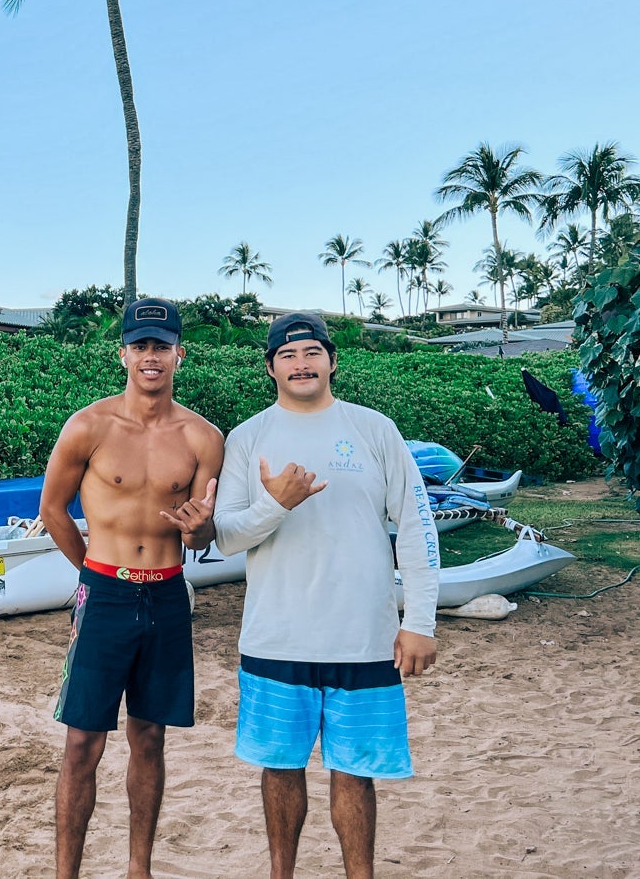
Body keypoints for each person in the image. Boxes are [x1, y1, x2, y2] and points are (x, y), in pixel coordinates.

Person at [210, 312, 440, 879]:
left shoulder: (374, 429)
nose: (301, 364)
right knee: (279, 768)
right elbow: (227, 537)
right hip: (276, 636)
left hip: (363, 637)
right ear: (270, 368)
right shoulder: (247, 437)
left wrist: (421, 621)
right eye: (287, 356)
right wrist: (276, 503)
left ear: (332, 361)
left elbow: (417, 525)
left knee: (355, 774)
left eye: (312, 352)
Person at [38, 297, 224, 879]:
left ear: (179, 355)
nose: (151, 356)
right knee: (82, 743)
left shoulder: (203, 437)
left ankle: (138, 869)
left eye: (161, 346)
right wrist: (92, 574)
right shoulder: (89, 426)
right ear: (122, 354)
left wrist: (200, 529)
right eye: (140, 345)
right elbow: (52, 510)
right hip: (105, 593)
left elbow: (202, 536)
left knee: (149, 739)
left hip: (167, 594)